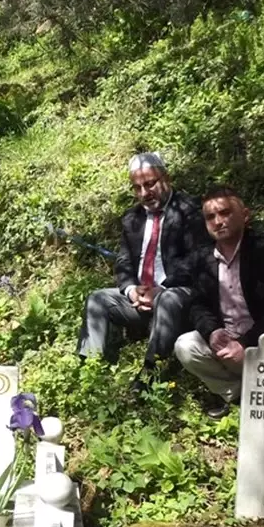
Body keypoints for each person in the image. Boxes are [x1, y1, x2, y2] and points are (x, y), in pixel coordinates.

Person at [77, 152, 206, 388]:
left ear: (166, 178)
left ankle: (150, 373)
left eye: (149, 184)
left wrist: (162, 289)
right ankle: (89, 370)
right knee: (97, 299)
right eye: (137, 188)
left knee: (168, 298)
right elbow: (124, 261)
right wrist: (131, 290)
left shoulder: (191, 211)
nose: (144, 193)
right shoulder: (132, 218)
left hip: (179, 297)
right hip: (142, 298)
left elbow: (197, 259)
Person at [175, 187, 264, 418]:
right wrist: (212, 331)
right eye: (210, 217)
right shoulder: (202, 258)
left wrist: (246, 342)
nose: (218, 221)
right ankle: (241, 396)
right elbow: (197, 304)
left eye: (225, 213)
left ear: (245, 215)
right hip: (228, 343)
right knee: (186, 345)